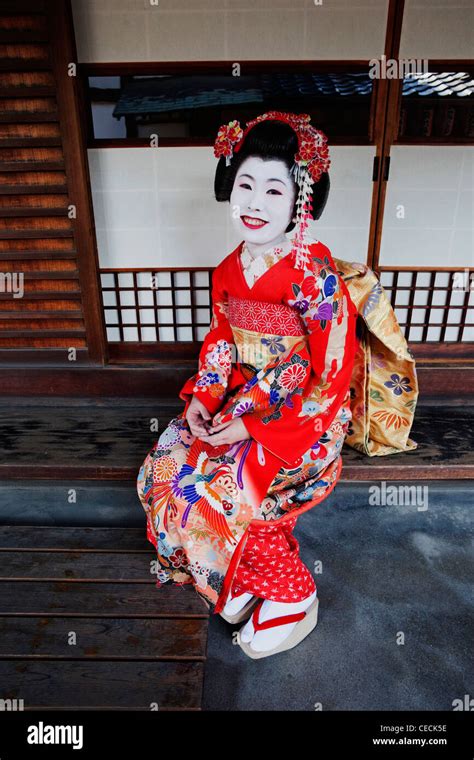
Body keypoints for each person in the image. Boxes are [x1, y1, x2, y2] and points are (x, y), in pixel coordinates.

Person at [136, 111, 359, 659]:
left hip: (300, 418)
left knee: (236, 495)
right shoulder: (229, 269)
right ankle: (239, 579)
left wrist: (254, 424)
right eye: (245, 185)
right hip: (238, 403)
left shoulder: (317, 278)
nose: (255, 203)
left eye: (273, 189)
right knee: (167, 469)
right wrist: (205, 400)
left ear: (300, 200)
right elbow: (220, 342)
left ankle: (292, 596)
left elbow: (331, 375)